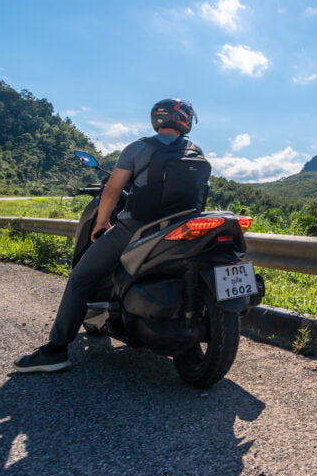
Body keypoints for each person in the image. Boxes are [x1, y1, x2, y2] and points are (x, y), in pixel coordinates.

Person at [13, 98, 203, 373]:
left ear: (157, 119)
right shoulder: (195, 150)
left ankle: (56, 351)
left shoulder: (138, 148)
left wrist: (101, 223)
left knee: (81, 277)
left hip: (136, 226)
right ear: (184, 120)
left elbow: (112, 190)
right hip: (181, 225)